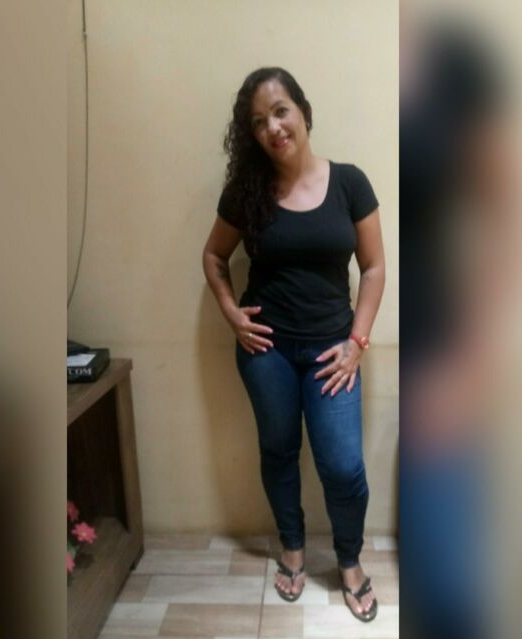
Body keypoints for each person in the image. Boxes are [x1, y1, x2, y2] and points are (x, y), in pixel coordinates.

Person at [202, 67, 385, 621]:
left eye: (280, 111)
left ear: (303, 111)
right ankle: (293, 548)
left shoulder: (350, 183)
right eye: (258, 122)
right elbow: (214, 256)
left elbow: (373, 268)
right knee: (279, 451)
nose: (273, 128)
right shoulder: (247, 192)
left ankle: (348, 560)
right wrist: (231, 314)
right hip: (268, 353)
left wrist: (357, 342)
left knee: (343, 466)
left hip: (333, 353)